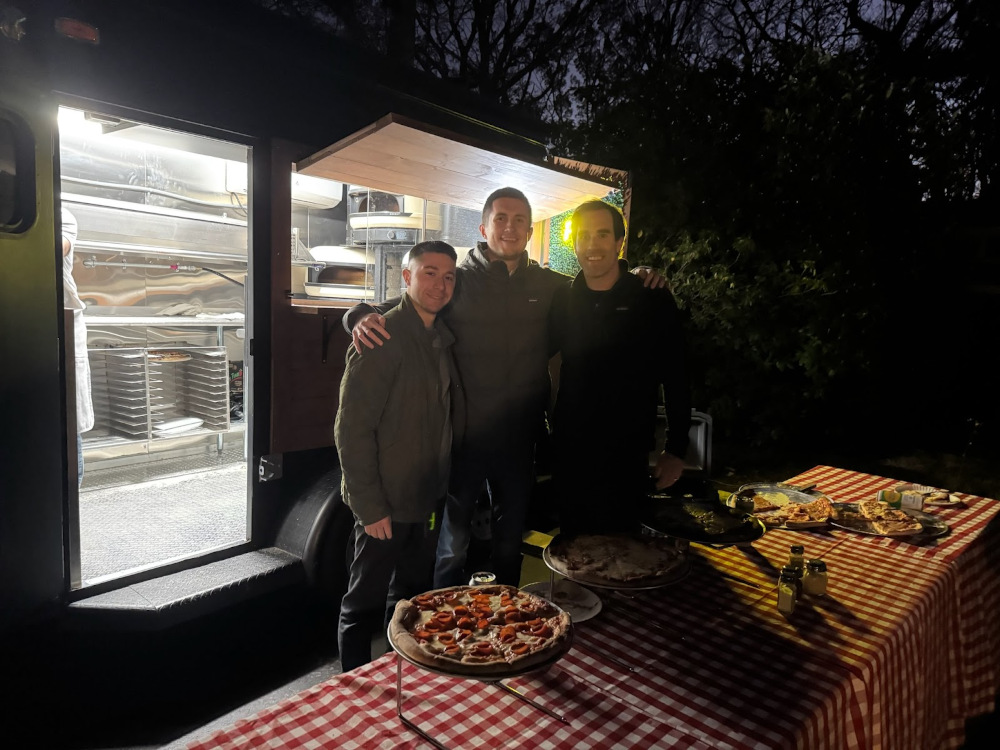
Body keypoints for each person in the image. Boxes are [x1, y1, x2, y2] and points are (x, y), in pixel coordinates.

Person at [346, 188, 664, 588]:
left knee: (509, 545)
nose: (509, 227)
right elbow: (402, 304)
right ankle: (448, 631)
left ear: (530, 231)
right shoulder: (456, 282)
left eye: (518, 221)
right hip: (462, 442)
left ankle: (509, 627)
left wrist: (638, 273)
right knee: (451, 548)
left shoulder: (551, 285)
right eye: (501, 218)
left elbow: (598, 281)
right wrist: (358, 313)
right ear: (484, 227)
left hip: (519, 443)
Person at [335, 240, 462, 671]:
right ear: (406, 277)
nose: (439, 285)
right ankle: (350, 693)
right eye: (429, 272)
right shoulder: (380, 336)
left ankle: (398, 680)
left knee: (408, 599)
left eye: (448, 276)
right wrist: (370, 508)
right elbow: (351, 431)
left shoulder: (440, 338)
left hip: (425, 502)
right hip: (384, 506)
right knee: (363, 603)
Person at [549, 200, 691, 535]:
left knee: (626, 559)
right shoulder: (561, 300)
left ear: (618, 242)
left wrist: (676, 449)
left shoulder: (651, 298)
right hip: (572, 454)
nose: (592, 244)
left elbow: (677, 376)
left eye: (602, 234)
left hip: (628, 456)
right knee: (575, 556)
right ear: (575, 243)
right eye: (584, 235)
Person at [62, 207, 94, 487]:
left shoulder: (62, 216)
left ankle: (72, 489)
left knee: (69, 416)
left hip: (64, 321)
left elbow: (52, 249)